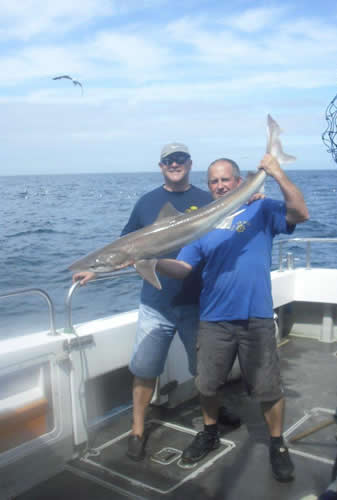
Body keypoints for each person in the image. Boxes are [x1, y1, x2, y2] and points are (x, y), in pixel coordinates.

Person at [72, 143, 242, 462]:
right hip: (155, 305)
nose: (174, 164)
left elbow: (230, 230)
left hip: (196, 302)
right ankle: (137, 430)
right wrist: (94, 270)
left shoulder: (208, 200)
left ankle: (213, 421)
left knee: (204, 372)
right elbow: (122, 246)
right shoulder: (147, 202)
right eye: (168, 160)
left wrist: (252, 196)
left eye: (179, 159)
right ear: (161, 166)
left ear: (190, 164)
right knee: (144, 370)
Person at [156, 155, 309, 482]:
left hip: (256, 317)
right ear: (209, 186)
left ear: (239, 182)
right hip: (214, 319)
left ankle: (277, 443)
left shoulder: (262, 209)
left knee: (268, 389)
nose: (220, 185)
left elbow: (301, 213)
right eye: (214, 181)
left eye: (226, 179)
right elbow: (183, 269)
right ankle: (210, 433)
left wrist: (277, 172)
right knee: (207, 385)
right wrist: (150, 260)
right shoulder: (203, 224)